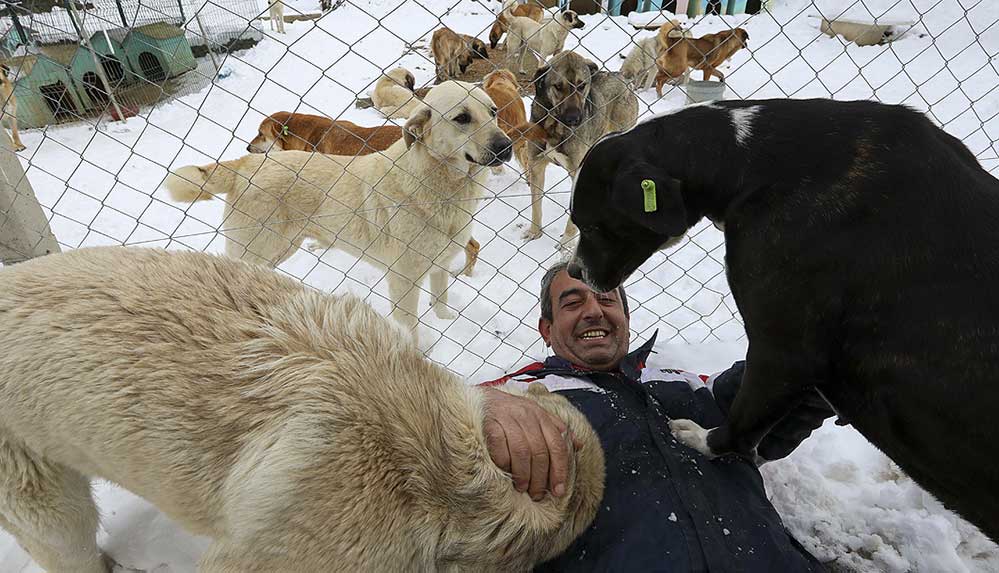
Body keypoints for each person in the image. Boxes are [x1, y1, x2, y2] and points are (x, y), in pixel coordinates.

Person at [480, 261, 833, 571]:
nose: (593, 311)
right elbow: (436, 415)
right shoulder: (523, 392)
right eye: (573, 303)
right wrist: (490, 407)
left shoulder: (680, 380)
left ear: (626, 319)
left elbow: (777, 390)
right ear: (547, 329)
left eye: (606, 299)